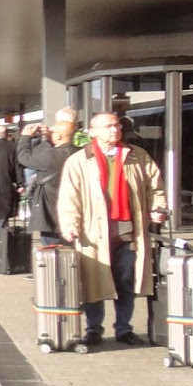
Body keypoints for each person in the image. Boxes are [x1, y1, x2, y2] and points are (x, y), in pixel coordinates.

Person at [58, 111, 166, 348]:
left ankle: (124, 329)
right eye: (108, 126)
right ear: (93, 132)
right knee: (92, 284)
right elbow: (69, 197)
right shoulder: (79, 160)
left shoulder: (137, 155)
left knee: (126, 283)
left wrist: (158, 207)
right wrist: (70, 224)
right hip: (93, 234)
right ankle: (93, 329)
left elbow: (155, 186)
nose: (114, 130)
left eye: (116, 125)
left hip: (128, 232)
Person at [18, 116, 79, 246]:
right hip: (73, 211)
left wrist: (25, 137)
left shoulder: (50, 155)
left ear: (58, 136)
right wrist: (47, 137)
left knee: (52, 249)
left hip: (50, 212)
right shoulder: (79, 153)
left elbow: (25, 157)